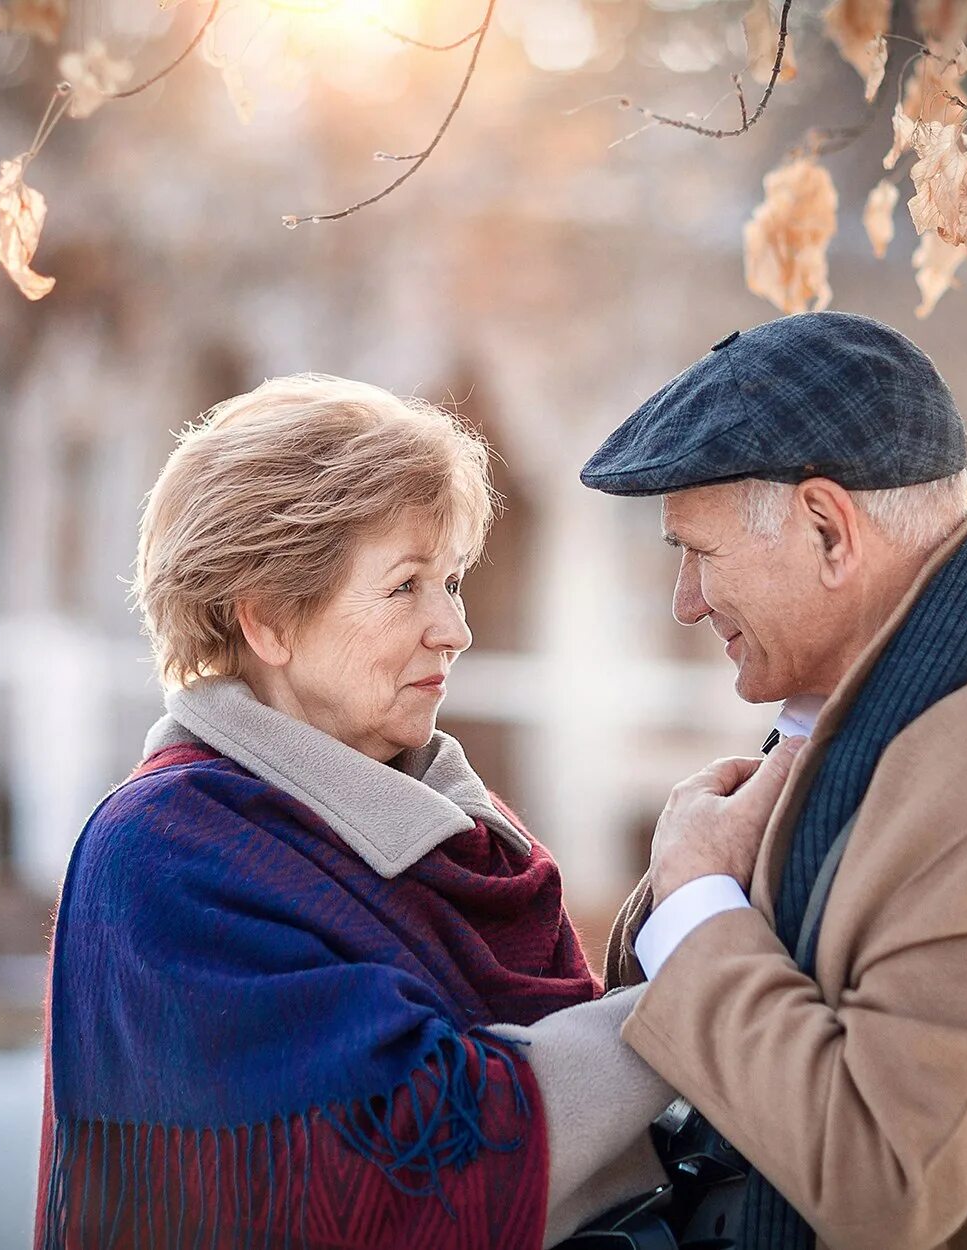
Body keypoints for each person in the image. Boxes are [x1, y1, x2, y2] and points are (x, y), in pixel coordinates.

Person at [584, 312, 967, 1250]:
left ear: (830, 530)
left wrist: (699, 900)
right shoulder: (876, 718)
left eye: (699, 555)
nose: (686, 603)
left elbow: (879, 1180)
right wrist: (690, 891)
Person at [35, 375, 675, 1249]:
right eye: (406, 586)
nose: (454, 628)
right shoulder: (167, 853)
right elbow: (390, 1166)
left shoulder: (473, 836)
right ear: (268, 621)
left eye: (451, 582)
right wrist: (690, 998)